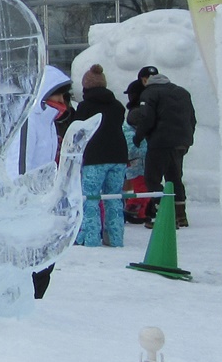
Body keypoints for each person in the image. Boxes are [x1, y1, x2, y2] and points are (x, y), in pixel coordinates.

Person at [7, 67, 73, 298]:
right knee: (30, 263)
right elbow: (19, 165)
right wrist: (21, 202)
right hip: (25, 205)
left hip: (42, 203)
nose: (62, 100)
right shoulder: (28, 119)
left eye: (64, 95)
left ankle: (33, 301)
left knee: (44, 262)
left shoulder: (48, 122)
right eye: (57, 94)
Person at [128, 66, 196, 228]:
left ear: (146, 81)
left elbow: (147, 118)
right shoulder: (182, 92)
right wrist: (186, 138)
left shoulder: (149, 93)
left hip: (160, 142)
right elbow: (192, 118)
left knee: (152, 179)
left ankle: (162, 216)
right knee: (174, 178)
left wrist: (139, 137)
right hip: (182, 142)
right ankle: (180, 216)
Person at [69, 64, 129, 247]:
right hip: (119, 156)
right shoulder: (117, 106)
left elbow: (78, 131)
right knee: (114, 198)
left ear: (86, 86)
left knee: (91, 198)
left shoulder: (85, 107)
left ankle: (91, 238)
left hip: (95, 157)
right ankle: (116, 238)